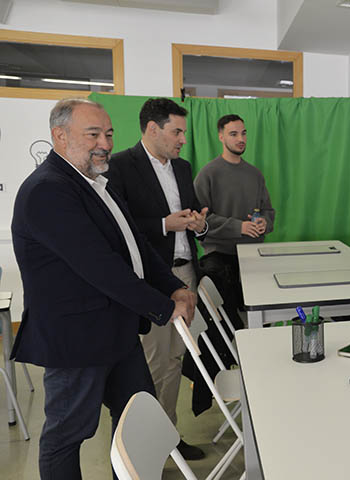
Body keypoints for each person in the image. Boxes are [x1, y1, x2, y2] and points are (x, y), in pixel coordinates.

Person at [10, 98, 195, 478]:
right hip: (77, 340)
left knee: (136, 425)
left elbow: (135, 247)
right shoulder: (48, 190)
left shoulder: (95, 183)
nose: (105, 143)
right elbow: (101, 267)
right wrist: (162, 306)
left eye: (108, 134)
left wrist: (174, 286)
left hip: (117, 332)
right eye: (92, 134)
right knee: (67, 435)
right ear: (59, 136)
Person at [104, 97, 207, 460]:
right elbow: (120, 231)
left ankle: (169, 437)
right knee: (151, 364)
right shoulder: (120, 167)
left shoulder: (182, 168)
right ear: (152, 129)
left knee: (176, 359)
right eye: (176, 131)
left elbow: (193, 217)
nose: (182, 139)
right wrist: (166, 224)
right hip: (151, 279)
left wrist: (198, 223)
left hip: (186, 274)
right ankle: (142, 449)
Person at [194, 113, 275, 327]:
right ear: (221, 137)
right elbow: (200, 220)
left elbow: (268, 211)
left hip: (253, 257)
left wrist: (264, 223)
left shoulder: (255, 174)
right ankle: (229, 359)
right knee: (223, 322)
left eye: (244, 133)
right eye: (233, 134)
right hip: (219, 258)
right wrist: (239, 227)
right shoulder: (208, 174)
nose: (241, 138)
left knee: (262, 319)